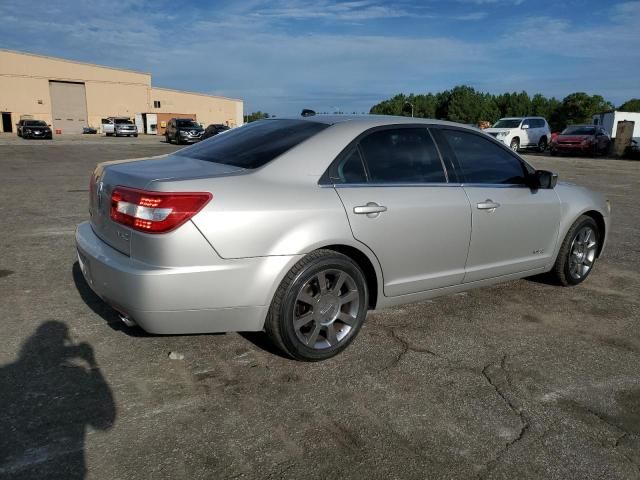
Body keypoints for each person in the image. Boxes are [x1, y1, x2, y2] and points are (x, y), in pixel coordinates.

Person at [0, 321, 115, 479]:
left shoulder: (6, 375)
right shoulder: (77, 377)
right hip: (64, 469)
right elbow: (105, 420)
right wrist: (92, 363)